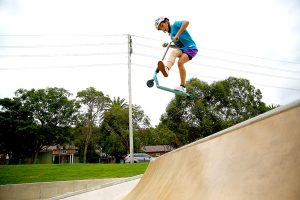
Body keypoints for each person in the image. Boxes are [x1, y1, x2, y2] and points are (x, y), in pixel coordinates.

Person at [155, 16, 198, 92]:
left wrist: (177, 35)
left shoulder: (175, 25)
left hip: (191, 48)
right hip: (183, 49)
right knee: (173, 52)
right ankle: (166, 69)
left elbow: (186, 22)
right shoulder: (171, 35)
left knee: (180, 62)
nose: (162, 29)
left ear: (166, 22)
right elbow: (178, 45)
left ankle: (182, 86)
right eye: (160, 29)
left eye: (162, 26)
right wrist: (169, 45)